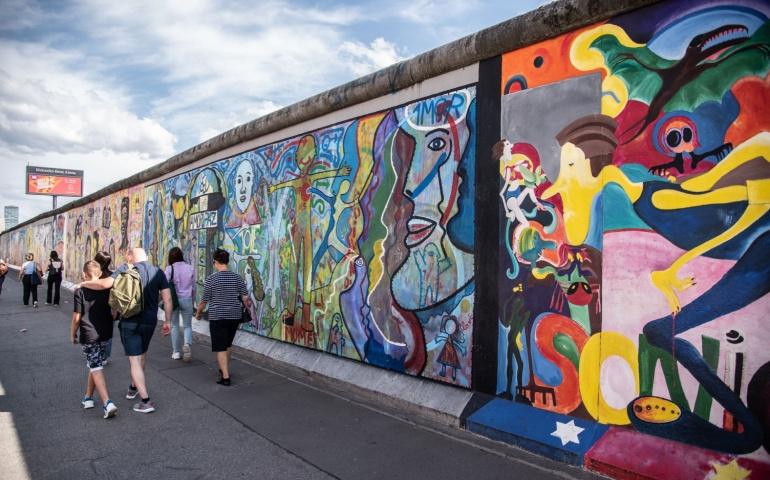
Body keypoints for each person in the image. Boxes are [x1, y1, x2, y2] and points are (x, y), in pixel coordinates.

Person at [80, 247, 172, 413]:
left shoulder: (125, 268)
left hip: (130, 320)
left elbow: (105, 284)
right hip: (150, 321)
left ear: (131, 256)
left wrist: (84, 283)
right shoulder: (158, 272)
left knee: (134, 360)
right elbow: (168, 299)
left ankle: (146, 401)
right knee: (142, 354)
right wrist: (168, 321)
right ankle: (133, 386)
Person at [194, 248, 251, 386]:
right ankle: (223, 368)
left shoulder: (211, 279)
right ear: (227, 261)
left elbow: (204, 301)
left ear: (215, 262)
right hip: (234, 316)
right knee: (227, 344)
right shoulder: (237, 278)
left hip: (218, 317)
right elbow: (245, 298)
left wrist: (198, 313)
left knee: (220, 346)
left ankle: (225, 377)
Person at [71, 261, 118, 419]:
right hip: (105, 333)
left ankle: (107, 403)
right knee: (94, 364)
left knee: (96, 366)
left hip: (89, 334)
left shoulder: (80, 291)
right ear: (99, 273)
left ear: (85, 274)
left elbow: (77, 317)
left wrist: (73, 333)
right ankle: (88, 398)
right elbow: (113, 312)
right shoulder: (107, 288)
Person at [164, 247, 195, 362]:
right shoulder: (190, 268)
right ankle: (187, 344)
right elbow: (193, 286)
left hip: (174, 300)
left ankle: (176, 352)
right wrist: (192, 299)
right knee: (187, 325)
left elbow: (164, 287)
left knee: (175, 325)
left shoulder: (169, 269)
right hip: (187, 298)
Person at [94, 251, 114, 364]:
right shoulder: (112, 275)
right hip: (109, 308)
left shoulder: (93, 276)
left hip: (95, 307)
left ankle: (96, 353)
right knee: (108, 332)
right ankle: (105, 356)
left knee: (95, 330)